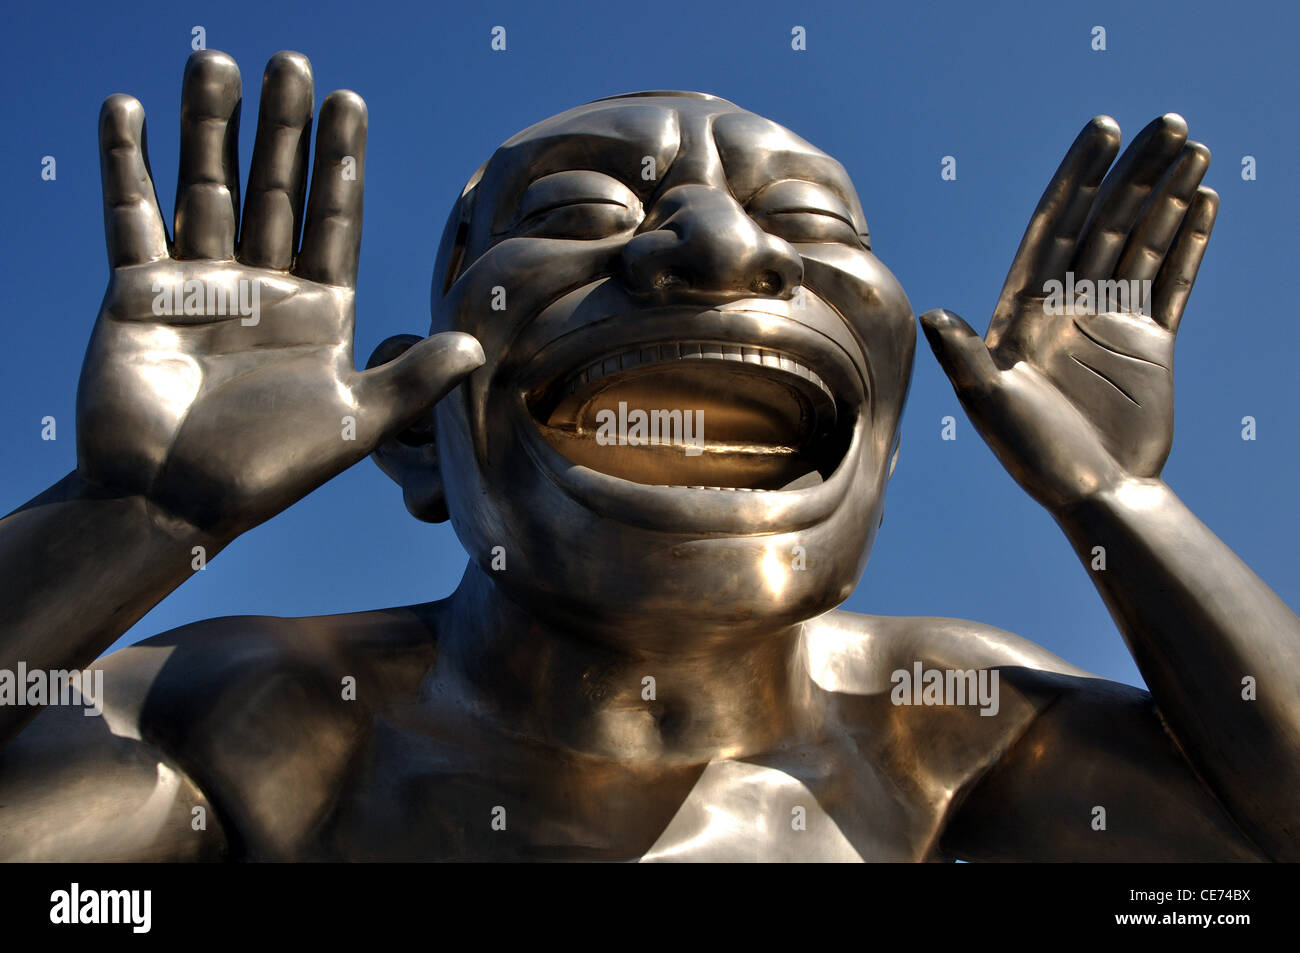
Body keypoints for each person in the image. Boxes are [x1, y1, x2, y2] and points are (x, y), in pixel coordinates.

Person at [0, 50, 1294, 861]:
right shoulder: (232, 725)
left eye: (804, 218)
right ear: (415, 440)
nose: (728, 250)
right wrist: (129, 515)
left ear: (886, 453)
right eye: (574, 211)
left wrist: (1119, 502)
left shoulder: (953, 732)